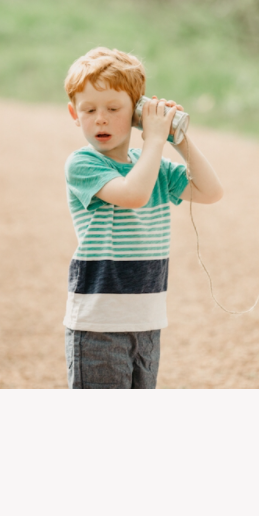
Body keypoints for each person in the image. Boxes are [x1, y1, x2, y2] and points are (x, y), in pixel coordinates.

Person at [62, 47, 223, 389]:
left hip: (147, 321)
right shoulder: (83, 164)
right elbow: (133, 195)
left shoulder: (154, 166)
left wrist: (177, 138)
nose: (100, 118)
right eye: (89, 109)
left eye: (113, 109)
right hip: (98, 325)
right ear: (74, 113)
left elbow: (210, 191)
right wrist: (154, 142)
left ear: (136, 112)